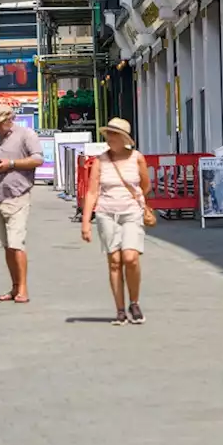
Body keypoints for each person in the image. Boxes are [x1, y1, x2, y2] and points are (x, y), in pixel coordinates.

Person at [80, 118, 151, 325]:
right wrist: (86, 222)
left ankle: (134, 302)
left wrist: (134, 199)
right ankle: (120, 309)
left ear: (123, 138)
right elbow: (92, 192)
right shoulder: (100, 160)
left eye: (113, 135)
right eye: (108, 134)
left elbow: (145, 186)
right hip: (106, 213)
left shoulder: (137, 158)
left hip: (131, 212)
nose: (109, 139)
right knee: (114, 261)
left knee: (130, 258)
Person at [0, 104, 43, 304]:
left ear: (10, 118)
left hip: (19, 196)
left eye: (0, 123)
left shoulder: (26, 134)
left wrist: (11, 164)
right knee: (8, 246)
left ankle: (23, 288)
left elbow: (38, 159)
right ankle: (14, 286)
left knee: (17, 244)